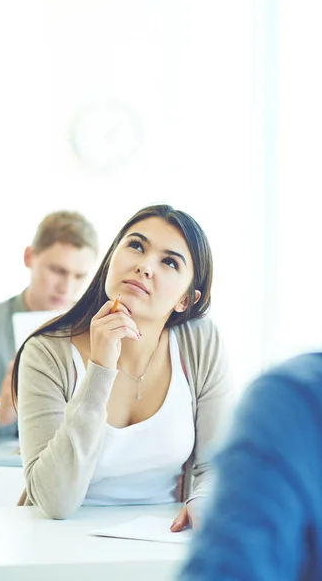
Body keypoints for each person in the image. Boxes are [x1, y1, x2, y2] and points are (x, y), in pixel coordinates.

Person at [12, 204, 234, 525]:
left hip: (164, 538)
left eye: (169, 262)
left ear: (186, 300)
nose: (145, 266)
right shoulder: (46, 352)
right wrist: (100, 370)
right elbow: (55, 502)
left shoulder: (199, 341)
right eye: (136, 246)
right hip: (58, 543)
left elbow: (217, 464)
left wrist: (204, 500)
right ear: (111, 259)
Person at [179, 348, 322, 581]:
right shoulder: (292, 404)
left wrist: (201, 496)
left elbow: (207, 464)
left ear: (182, 307)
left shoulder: (199, 342)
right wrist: (104, 369)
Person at [0, 210, 98, 440]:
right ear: (29, 257)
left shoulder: (95, 334)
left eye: (79, 276)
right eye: (57, 270)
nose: (66, 287)